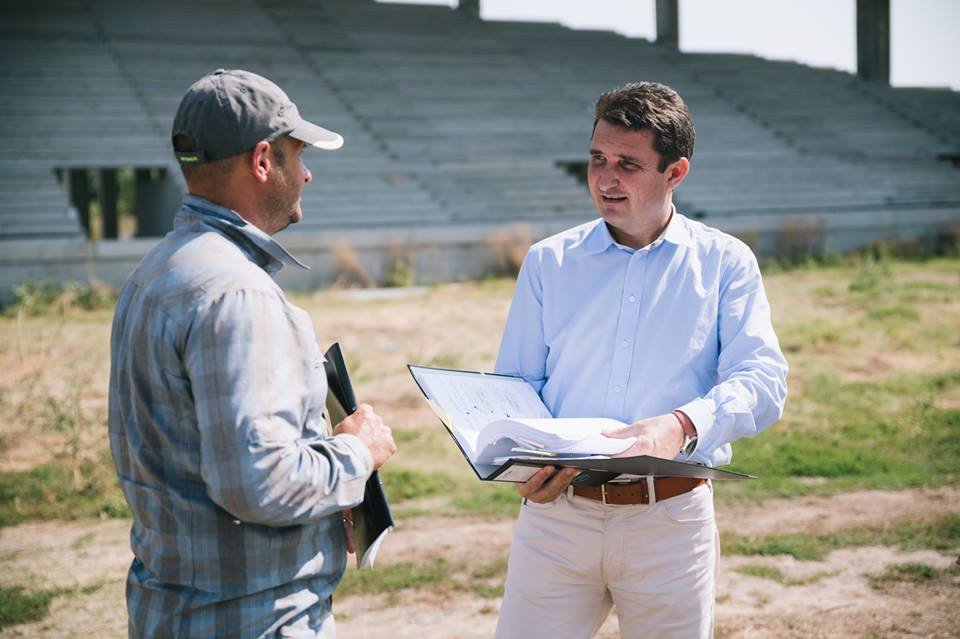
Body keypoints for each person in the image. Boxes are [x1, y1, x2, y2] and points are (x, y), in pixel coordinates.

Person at [108, 69, 397, 638]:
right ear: (264, 161)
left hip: (180, 608)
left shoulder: (159, 270)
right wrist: (356, 454)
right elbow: (259, 483)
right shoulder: (236, 292)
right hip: (254, 618)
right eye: (297, 155)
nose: (308, 173)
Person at [493, 82, 788, 638]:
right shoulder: (547, 262)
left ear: (675, 173)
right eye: (597, 159)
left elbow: (764, 381)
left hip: (671, 521)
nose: (606, 179)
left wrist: (682, 425)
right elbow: (516, 383)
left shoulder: (726, 263)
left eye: (628, 164)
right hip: (558, 518)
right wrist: (522, 457)